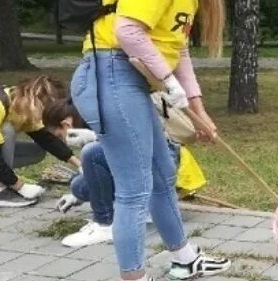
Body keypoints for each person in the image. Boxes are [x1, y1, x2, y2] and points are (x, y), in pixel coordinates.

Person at [69, 0, 250, 281]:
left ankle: (184, 258)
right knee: (134, 188)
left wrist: (198, 108)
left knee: (160, 177)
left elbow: (176, 46)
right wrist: (170, 88)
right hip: (112, 75)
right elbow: (127, 31)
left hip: (129, 78)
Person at [42, 97, 207, 248]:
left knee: (91, 153)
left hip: (160, 163)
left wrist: (94, 138)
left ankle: (105, 224)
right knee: (81, 186)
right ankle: (140, 208)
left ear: (66, 125)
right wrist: (79, 194)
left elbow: (140, 141)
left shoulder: (112, 105)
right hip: (143, 165)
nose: (64, 140)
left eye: (60, 136)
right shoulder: (95, 113)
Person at [0, 76, 81, 208]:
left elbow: (46, 139)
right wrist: (20, 186)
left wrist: (79, 164)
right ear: (34, 99)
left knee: (36, 152)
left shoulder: (20, 103)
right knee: (7, 130)